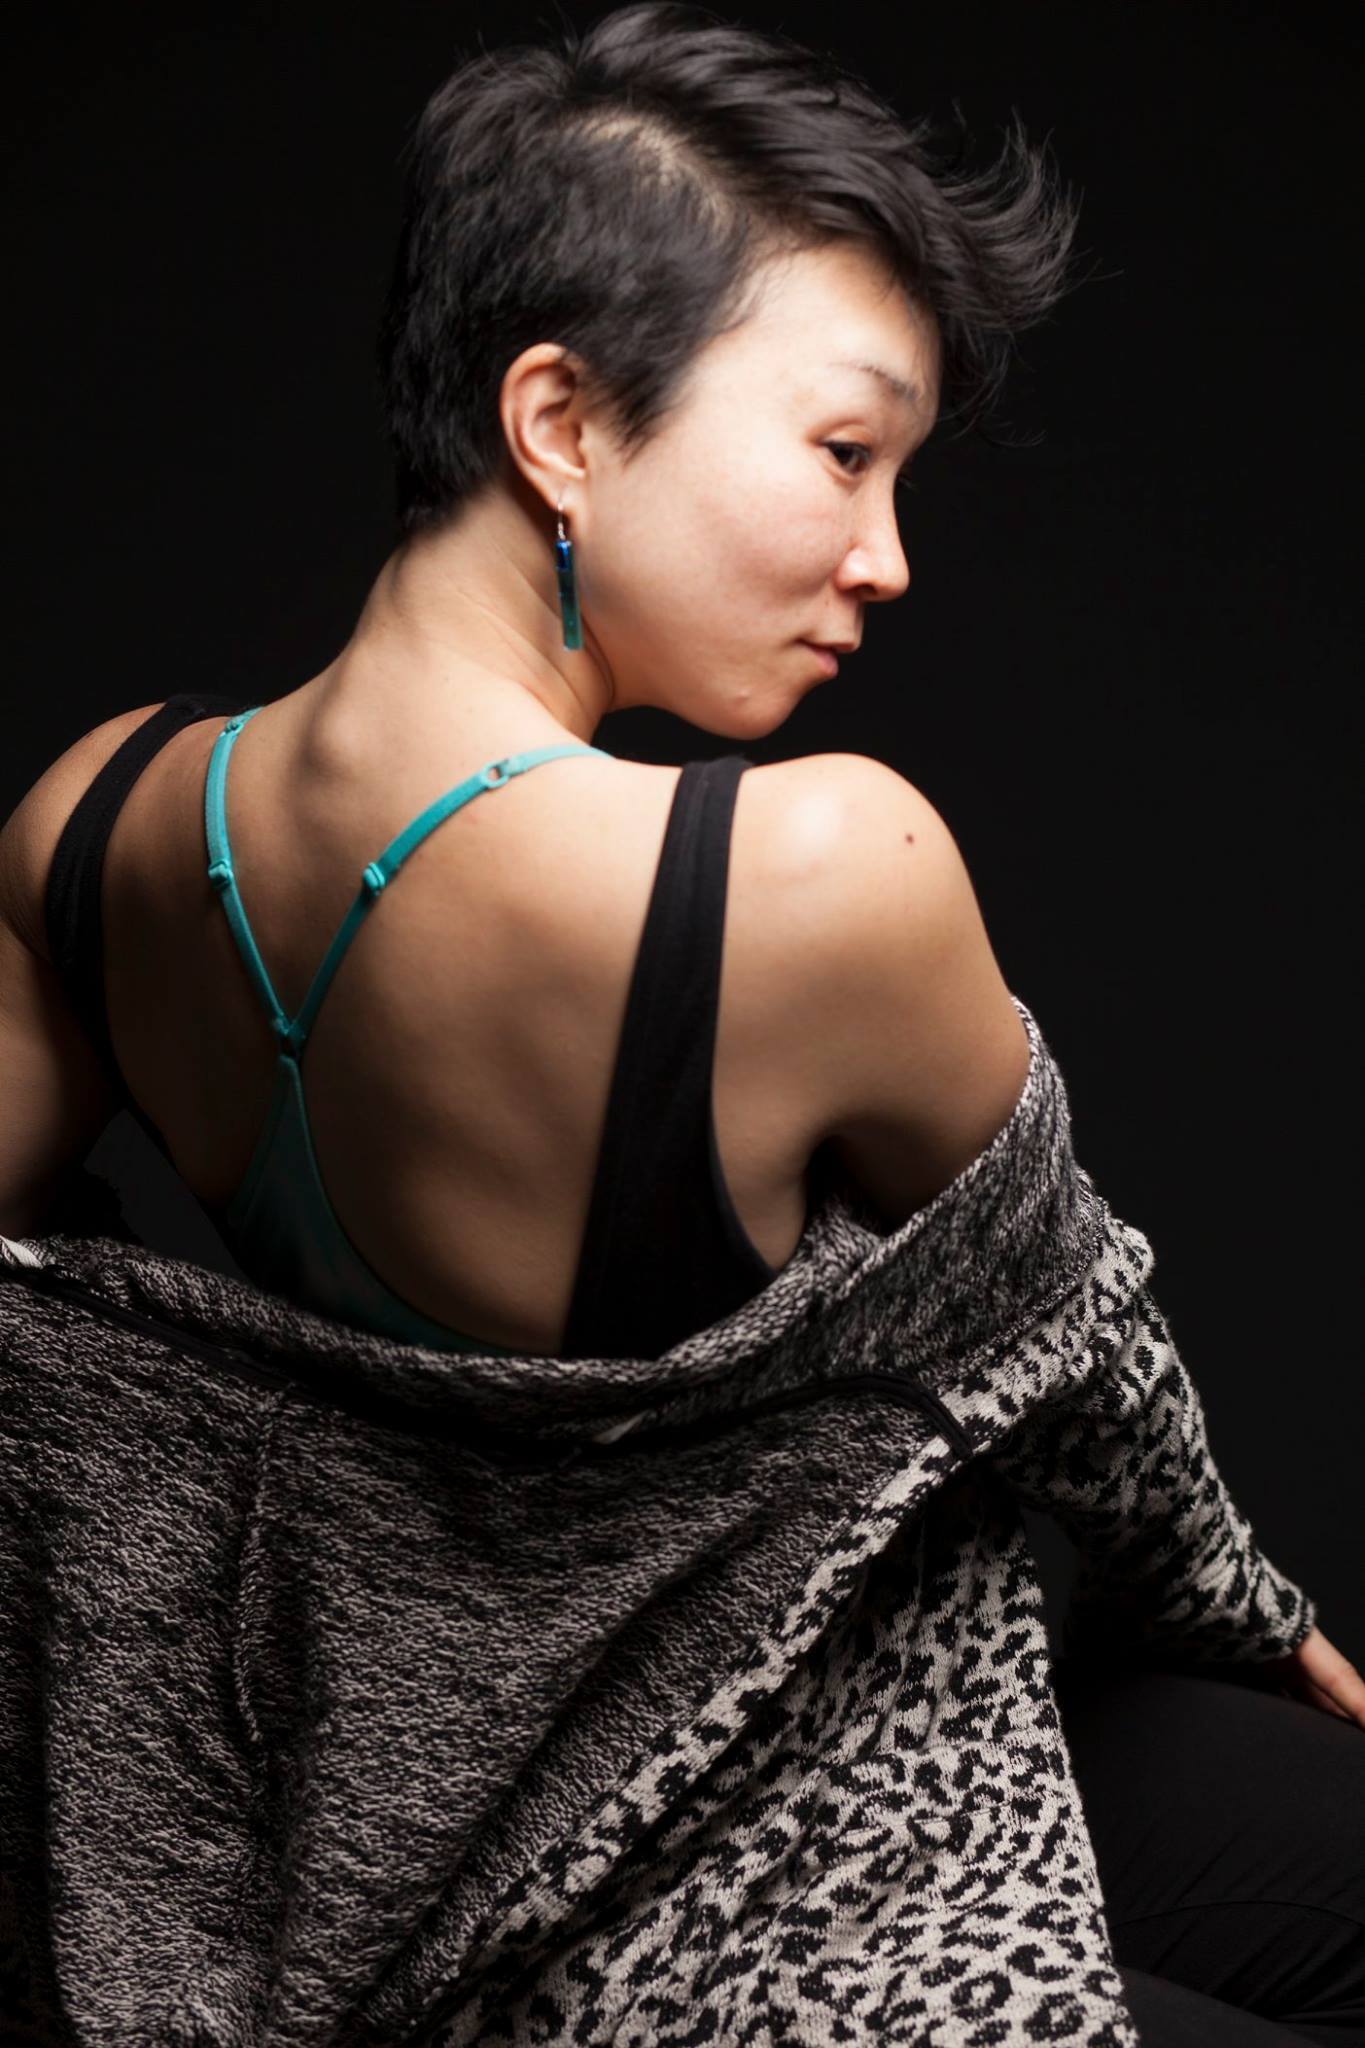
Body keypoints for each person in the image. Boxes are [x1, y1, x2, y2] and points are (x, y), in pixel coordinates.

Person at [0, 4, 1359, 2038]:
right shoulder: (807, 873)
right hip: (786, 1888)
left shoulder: (94, 821)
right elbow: (1077, 1363)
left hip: (384, 1879)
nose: (886, 559)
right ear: (557, 420)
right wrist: (1249, 1620)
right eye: (842, 453)